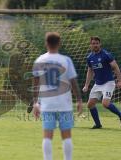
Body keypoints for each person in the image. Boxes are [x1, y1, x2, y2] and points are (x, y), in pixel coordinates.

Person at [32, 32, 83, 160]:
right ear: (59, 43)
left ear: (46, 43)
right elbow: (73, 82)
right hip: (64, 104)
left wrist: (35, 103)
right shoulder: (66, 60)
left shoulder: (40, 60)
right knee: (66, 135)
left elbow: (35, 83)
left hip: (47, 105)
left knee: (47, 135)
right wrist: (79, 100)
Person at [82, 36, 121, 129]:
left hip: (108, 83)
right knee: (90, 105)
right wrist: (86, 85)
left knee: (105, 103)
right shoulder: (90, 57)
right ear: (91, 45)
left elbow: (116, 67)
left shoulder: (106, 54)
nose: (95, 45)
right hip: (98, 84)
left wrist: (120, 81)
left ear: (100, 44)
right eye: (93, 43)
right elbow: (90, 71)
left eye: (97, 43)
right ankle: (98, 124)